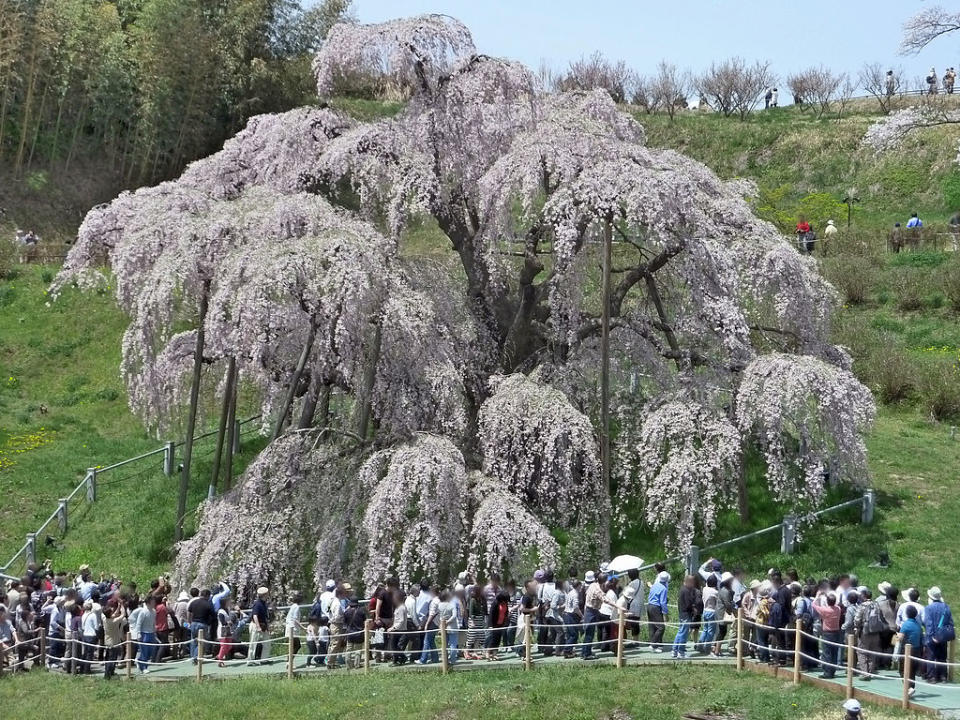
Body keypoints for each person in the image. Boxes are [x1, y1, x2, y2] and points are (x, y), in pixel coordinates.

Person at [923, 586, 954, 683]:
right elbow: (950, 622)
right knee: (942, 657)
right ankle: (943, 676)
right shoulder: (946, 607)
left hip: (932, 636)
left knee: (931, 657)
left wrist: (931, 636)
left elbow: (929, 623)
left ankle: (932, 677)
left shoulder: (928, 608)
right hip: (943, 636)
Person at [812, 591, 843, 678]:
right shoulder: (838, 609)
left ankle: (827, 672)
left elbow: (813, 605)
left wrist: (817, 595)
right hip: (836, 633)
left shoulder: (825, 610)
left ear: (827, 602)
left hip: (827, 633)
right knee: (834, 653)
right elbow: (836, 604)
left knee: (827, 653)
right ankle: (832, 671)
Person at [900, 604, 923, 697]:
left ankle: (908, 688)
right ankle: (912, 687)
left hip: (907, 650)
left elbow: (900, 638)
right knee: (912, 670)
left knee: (903, 669)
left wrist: (896, 637)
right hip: (917, 649)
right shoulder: (918, 625)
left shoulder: (906, 624)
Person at [673, 574, 698, 659]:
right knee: (683, 633)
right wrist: (693, 609)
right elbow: (688, 604)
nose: (693, 583)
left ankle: (674, 650)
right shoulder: (686, 591)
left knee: (680, 632)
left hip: (682, 613)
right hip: (686, 614)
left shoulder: (682, 589)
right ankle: (681, 651)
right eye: (692, 582)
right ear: (689, 581)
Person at [581, 571, 604, 660]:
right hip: (591, 611)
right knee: (589, 634)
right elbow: (603, 598)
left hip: (588, 610)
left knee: (588, 633)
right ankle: (586, 654)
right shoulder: (596, 588)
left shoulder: (590, 586)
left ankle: (585, 652)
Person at [695, 574, 719, 655]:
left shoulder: (704, 589)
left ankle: (700, 645)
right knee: (711, 631)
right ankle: (707, 647)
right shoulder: (715, 592)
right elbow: (717, 603)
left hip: (705, 611)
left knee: (705, 629)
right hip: (712, 611)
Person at [646, 571, 670, 652]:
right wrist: (665, 613)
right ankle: (653, 644)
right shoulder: (664, 589)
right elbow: (663, 602)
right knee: (661, 627)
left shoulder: (654, 585)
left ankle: (656, 645)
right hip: (656, 607)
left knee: (652, 626)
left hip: (649, 605)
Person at [134, 595, 157, 674]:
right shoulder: (143, 611)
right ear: (148, 602)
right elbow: (139, 623)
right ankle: (143, 667)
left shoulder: (154, 611)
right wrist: (138, 633)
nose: (154, 602)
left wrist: (154, 630)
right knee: (144, 651)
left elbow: (154, 622)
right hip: (144, 633)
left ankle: (139, 660)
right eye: (153, 601)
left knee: (150, 651)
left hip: (151, 633)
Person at [248, 586, 270, 666]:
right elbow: (255, 616)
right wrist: (258, 626)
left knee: (267, 642)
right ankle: (250, 660)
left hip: (263, 625)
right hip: (256, 625)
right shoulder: (257, 604)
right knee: (253, 643)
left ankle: (264, 659)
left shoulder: (264, 603)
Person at [216, 596, 235, 667]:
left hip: (228, 630)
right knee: (223, 646)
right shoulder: (221, 611)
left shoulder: (228, 610)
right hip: (222, 630)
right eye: (228, 602)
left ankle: (219, 656)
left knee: (229, 646)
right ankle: (220, 661)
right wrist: (229, 623)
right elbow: (222, 622)